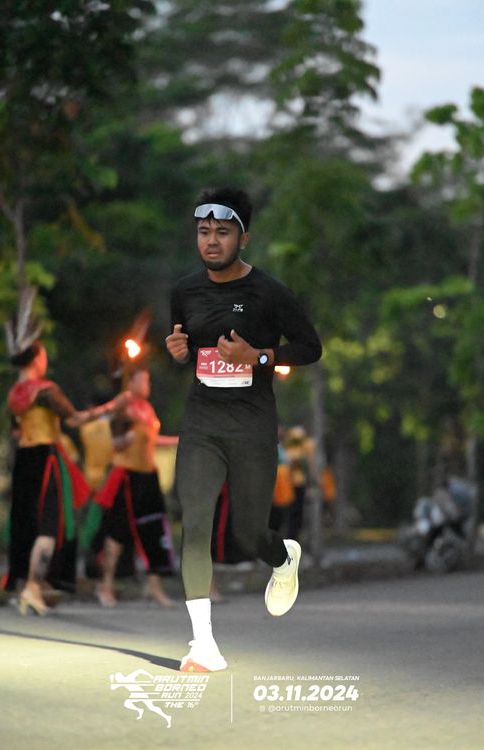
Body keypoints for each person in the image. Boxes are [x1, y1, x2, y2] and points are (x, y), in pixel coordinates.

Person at [165, 187, 322, 672]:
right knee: (195, 524)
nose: (211, 241)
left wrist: (258, 356)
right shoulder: (184, 292)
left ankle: (283, 557)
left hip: (252, 426)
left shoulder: (269, 292)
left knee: (249, 535)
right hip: (202, 423)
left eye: (222, 232)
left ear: (244, 238)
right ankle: (203, 645)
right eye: (203, 232)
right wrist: (178, 353)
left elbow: (310, 347)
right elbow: (188, 349)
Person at [5, 337, 127, 615]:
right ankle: (32, 588)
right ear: (36, 358)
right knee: (49, 526)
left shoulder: (15, 394)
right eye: (43, 354)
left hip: (23, 460)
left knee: (26, 524)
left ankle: (28, 585)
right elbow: (74, 419)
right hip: (45, 458)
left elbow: (15, 431)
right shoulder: (45, 390)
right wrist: (111, 407)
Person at [94, 366, 177, 608]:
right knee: (117, 532)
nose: (147, 386)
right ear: (130, 383)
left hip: (148, 475)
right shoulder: (123, 406)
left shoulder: (147, 408)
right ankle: (105, 584)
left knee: (153, 530)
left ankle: (153, 587)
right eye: (143, 381)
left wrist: (178, 441)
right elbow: (115, 441)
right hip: (127, 476)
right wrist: (123, 440)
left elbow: (151, 439)